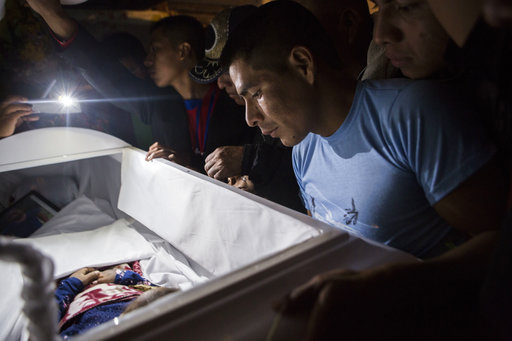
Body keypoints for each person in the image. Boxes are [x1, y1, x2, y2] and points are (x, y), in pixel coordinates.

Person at [270, 1, 511, 339]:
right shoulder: (308, 144)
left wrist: (399, 280)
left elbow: (497, 241)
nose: (381, 33)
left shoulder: (415, 108)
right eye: (380, 6)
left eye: (407, 5)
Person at [25, 0, 255, 172]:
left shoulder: (237, 99)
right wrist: (52, 13)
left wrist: (189, 162)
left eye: (156, 49)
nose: (147, 61)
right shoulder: (159, 103)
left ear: (183, 51)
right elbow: (101, 70)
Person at [56, 263, 177, 338]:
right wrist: (123, 276)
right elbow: (159, 293)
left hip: (76, 294)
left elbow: (43, 324)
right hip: (123, 284)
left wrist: (70, 285)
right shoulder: (171, 323)